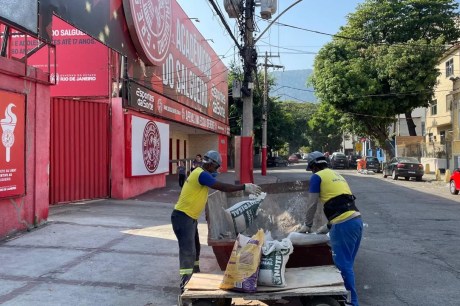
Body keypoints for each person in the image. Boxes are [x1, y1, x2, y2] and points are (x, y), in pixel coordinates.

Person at [171, 150, 262, 294]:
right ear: (210, 163)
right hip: (182, 217)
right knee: (188, 251)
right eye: (216, 167)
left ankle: (196, 274)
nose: (217, 170)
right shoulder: (201, 174)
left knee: (195, 249)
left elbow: (201, 194)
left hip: (189, 217)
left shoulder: (200, 172)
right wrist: (244, 187)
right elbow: (223, 187)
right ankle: (185, 284)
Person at [298, 151, 363, 306]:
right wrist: (328, 226)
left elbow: (312, 203)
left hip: (343, 225)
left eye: (311, 168)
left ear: (313, 166)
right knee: (347, 264)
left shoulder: (317, 177)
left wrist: (307, 225)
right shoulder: (337, 175)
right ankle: (347, 299)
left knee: (343, 265)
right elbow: (342, 203)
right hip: (356, 221)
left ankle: (351, 302)